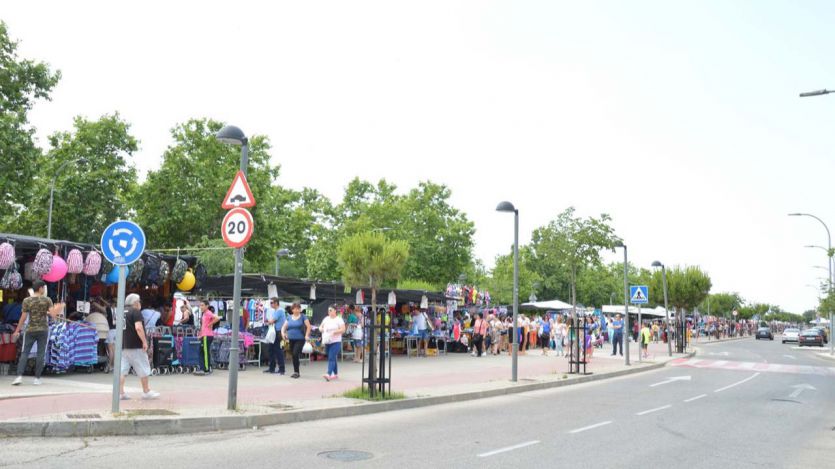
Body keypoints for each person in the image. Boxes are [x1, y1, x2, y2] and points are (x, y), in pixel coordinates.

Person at [11, 280, 64, 386]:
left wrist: (17, 330)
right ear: (40, 289)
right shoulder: (47, 300)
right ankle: (37, 378)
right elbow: (53, 315)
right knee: (40, 354)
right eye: (43, 288)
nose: (44, 290)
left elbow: (23, 317)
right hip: (43, 330)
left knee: (25, 353)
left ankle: (19, 377)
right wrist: (59, 308)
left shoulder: (27, 300)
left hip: (30, 330)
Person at [119, 294, 160, 399]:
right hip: (135, 345)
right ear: (136, 302)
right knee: (144, 367)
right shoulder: (136, 312)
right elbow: (138, 328)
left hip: (123, 344)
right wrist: (144, 341)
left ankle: (120, 393)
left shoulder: (121, 312)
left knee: (123, 370)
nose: (140, 303)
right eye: (139, 301)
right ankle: (146, 392)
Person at [281, 302, 311, 379]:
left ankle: (296, 372)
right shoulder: (289, 317)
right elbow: (283, 327)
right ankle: (296, 371)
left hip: (300, 339)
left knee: (295, 353)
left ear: (300, 309)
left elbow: (308, 326)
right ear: (292, 310)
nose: (297, 310)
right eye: (295, 309)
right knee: (294, 356)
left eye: (298, 308)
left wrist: (307, 335)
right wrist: (283, 334)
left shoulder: (303, 317)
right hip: (291, 339)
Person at [320, 305, 346, 381]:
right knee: (332, 357)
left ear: (335, 311)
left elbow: (343, 330)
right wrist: (321, 329)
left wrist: (335, 332)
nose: (329, 312)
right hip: (327, 341)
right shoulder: (326, 319)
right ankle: (336, 374)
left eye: (331, 310)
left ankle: (328, 374)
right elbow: (320, 327)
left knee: (331, 357)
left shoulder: (339, 319)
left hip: (336, 341)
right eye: (328, 310)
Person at [195, 300, 219, 375]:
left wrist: (210, 323)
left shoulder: (208, 313)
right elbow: (203, 326)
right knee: (201, 351)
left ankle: (206, 369)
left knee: (205, 352)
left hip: (207, 335)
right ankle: (204, 367)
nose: (201, 307)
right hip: (204, 335)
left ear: (207, 306)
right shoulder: (204, 314)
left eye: (202, 305)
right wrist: (200, 335)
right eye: (200, 305)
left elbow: (217, 318)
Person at [263, 297, 286, 375]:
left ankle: (281, 369)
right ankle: (272, 368)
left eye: (272, 302)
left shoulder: (279, 311)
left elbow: (272, 321)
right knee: (271, 350)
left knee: (277, 350)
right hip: (276, 332)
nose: (271, 304)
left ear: (276, 303)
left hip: (278, 332)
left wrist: (267, 321)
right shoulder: (277, 311)